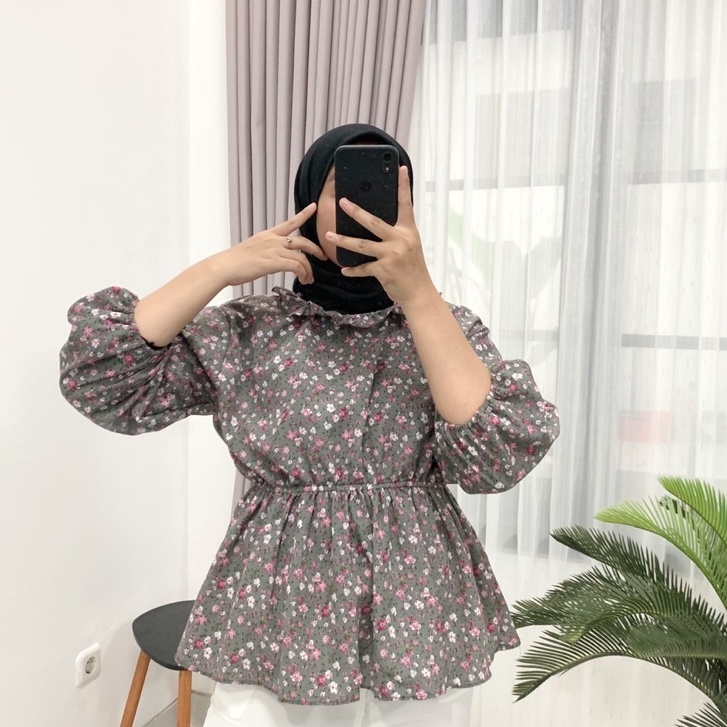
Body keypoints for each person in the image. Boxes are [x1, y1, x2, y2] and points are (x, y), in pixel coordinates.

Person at [59, 123, 559, 727]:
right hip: (278, 607)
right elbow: (103, 379)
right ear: (306, 203)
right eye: (342, 189)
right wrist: (218, 268)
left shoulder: (445, 327)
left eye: (388, 192)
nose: (364, 208)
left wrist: (419, 293)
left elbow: (497, 457)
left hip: (420, 609)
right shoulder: (249, 330)